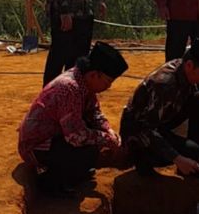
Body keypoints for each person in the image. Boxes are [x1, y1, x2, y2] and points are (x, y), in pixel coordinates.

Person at [18, 41, 128, 196]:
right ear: (94, 74)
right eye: (107, 82)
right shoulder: (69, 88)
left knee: (93, 141)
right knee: (89, 150)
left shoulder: (83, 82)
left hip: (55, 136)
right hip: (37, 145)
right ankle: (50, 184)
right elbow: (75, 136)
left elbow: (95, 113)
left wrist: (107, 130)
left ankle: (71, 172)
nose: (108, 87)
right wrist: (106, 139)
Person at [120, 38, 199, 177]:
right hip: (138, 133)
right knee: (191, 151)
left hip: (161, 121)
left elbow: (195, 101)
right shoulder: (165, 84)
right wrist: (178, 158)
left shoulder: (183, 70)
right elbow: (146, 128)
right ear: (189, 65)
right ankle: (143, 161)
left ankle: (196, 161)